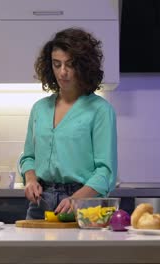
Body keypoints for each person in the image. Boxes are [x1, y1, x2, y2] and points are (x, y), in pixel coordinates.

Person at [19, 28, 118, 219]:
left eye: (70, 65)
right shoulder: (39, 108)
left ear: (83, 66)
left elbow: (106, 171)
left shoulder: (100, 110)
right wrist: (30, 179)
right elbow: (28, 157)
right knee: (34, 250)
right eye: (57, 64)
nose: (62, 72)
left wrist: (77, 199)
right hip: (40, 203)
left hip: (83, 205)